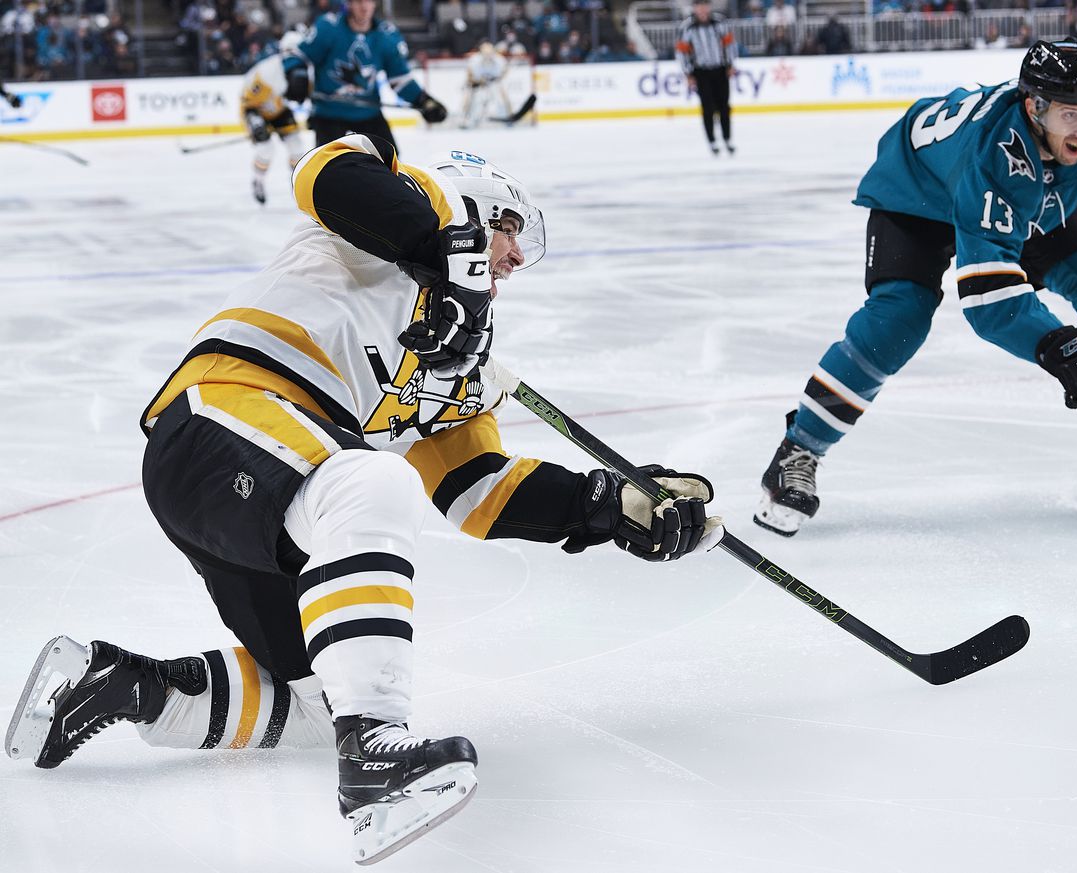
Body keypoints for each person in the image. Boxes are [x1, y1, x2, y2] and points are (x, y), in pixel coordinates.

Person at [6, 139, 723, 864]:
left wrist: (603, 504)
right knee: (374, 481)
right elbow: (324, 172)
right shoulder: (414, 206)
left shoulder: (456, 345)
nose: (512, 260)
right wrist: (455, 263)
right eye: (510, 233)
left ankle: (130, 686)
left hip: (251, 494)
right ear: (479, 207)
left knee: (317, 698)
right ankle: (376, 753)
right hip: (223, 415)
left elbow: (477, 492)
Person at [754, 40, 1077, 536]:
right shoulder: (992, 157)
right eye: (1071, 115)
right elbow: (988, 301)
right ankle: (799, 449)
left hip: (1023, 196)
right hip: (919, 195)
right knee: (898, 319)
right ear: (1034, 107)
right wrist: (1058, 347)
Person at [283, 0, 447, 151]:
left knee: (390, 160)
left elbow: (399, 78)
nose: (364, 7)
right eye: (359, 1)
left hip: (368, 114)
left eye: (369, 1)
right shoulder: (328, 27)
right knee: (328, 170)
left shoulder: (386, 35)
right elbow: (298, 56)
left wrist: (422, 100)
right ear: (349, 4)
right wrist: (297, 75)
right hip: (329, 114)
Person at [240, 30, 311, 204]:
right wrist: (255, 122)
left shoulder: (305, 68)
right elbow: (247, 101)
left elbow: (306, 95)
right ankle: (258, 181)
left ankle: (297, 183)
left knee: (296, 146)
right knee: (266, 148)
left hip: (280, 110)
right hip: (256, 110)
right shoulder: (266, 72)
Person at [675, 0, 738, 156]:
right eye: (699, 6)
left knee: (724, 106)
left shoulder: (720, 23)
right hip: (701, 72)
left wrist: (730, 64)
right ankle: (712, 141)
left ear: (709, 7)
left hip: (720, 69)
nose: (702, 9)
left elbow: (729, 44)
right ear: (695, 8)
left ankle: (727, 139)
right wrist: (688, 73)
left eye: (705, 5)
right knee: (708, 107)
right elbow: (681, 52)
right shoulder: (687, 27)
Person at [460, 40, 512, 128]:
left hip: (494, 83)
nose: (488, 55)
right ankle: (469, 121)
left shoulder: (499, 59)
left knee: (501, 100)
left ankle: (506, 119)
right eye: (485, 52)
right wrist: (476, 83)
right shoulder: (475, 60)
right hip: (480, 84)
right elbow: (470, 75)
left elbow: (505, 71)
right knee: (476, 101)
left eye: (489, 52)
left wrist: (498, 79)